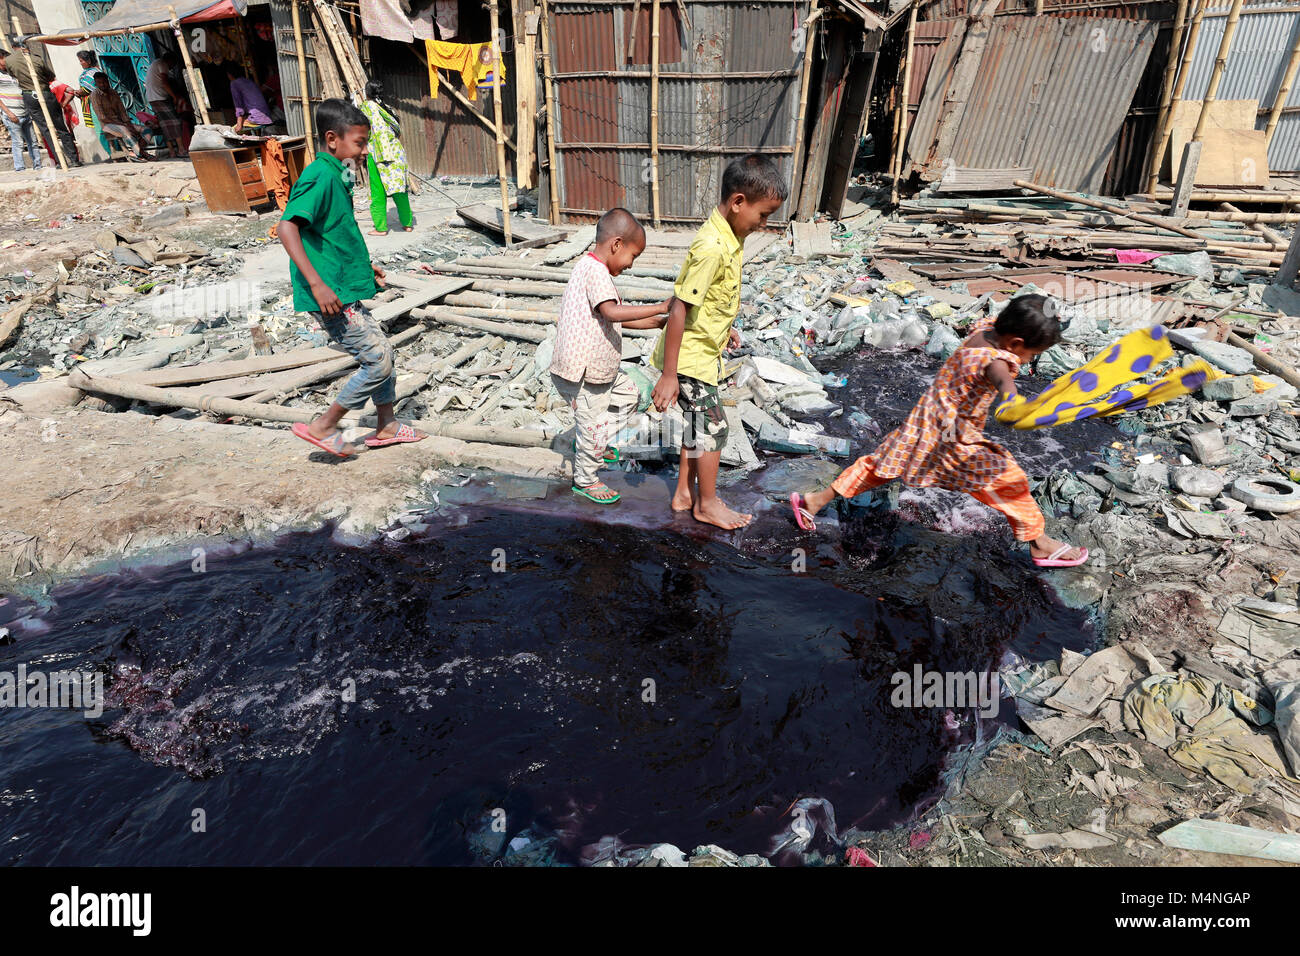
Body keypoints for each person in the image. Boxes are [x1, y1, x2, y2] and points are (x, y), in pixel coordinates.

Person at [789, 295, 1090, 569]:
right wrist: (1012, 397)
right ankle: (1039, 543)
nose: (1028, 361)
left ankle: (813, 501)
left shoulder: (985, 332)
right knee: (1009, 479)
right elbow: (1001, 376)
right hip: (954, 439)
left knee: (879, 466)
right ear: (1014, 343)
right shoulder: (996, 360)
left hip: (924, 422)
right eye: (1031, 354)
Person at [279, 98, 424, 458]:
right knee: (377, 359)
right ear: (332, 139)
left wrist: (363, 266)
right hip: (329, 293)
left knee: (383, 350)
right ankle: (324, 426)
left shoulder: (339, 171)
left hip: (342, 284)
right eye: (359, 143)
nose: (364, 152)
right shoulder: (319, 176)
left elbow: (337, 229)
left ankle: (387, 425)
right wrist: (316, 283)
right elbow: (286, 228)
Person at [649, 153, 787, 530]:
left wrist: (724, 327)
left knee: (696, 424)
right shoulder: (711, 247)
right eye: (762, 215)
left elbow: (710, 300)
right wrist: (670, 375)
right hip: (689, 358)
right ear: (738, 201)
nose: (763, 224)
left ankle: (683, 493)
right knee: (713, 428)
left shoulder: (731, 236)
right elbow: (679, 308)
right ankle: (706, 504)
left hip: (703, 351)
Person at [546, 208, 669, 504]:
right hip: (584, 373)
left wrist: (659, 321)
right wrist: (659, 306)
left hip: (599, 372)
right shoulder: (595, 271)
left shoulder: (592, 269)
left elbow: (615, 318)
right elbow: (613, 312)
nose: (630, 265)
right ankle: (586, 480)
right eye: (633, 256)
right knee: (591, 422)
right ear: (616, 245)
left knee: (629, 396)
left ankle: (593, 442)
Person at [4, 39, 81, 167]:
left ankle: (59, 161)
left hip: (29, 95)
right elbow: (50, 76)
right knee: (60, 127)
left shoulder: (9, 61)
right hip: (45, 93)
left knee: (46, 130)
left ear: (13, 47)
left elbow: (13, 75)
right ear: (26, 46)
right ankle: (74, 159)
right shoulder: (37, 59)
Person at [357, 80, 413, 235]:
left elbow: (362, 129)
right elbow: (396, 130)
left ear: (366, 93)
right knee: (399, 190)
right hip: (396, 151)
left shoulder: (367, 107)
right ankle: (407, 224)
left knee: (377, 191)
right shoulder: (387, 109)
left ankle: (381, 228)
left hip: (378, 153)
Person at [89, 72, 149, 162]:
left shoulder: (113, 92)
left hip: (121, 122)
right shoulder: (94, 95)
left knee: (146, 130)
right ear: (96, 83)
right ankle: (137, 154)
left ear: (108, 81)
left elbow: (122, 111)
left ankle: (139, 151)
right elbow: (102, 117)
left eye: (104, 82)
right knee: (125, 130)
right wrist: (123, 124)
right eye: (99, 83)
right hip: (107, 125)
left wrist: (127, 123)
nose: (103, 85)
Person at [0, 48, 40, 172]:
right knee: (17, 143)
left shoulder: (15, 72)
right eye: (4, 59)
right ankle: (20, 168)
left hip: (25, 112)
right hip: (12, 114)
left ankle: (38, 166)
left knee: (33, 141)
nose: (6, 62)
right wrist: (8, 113)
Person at [144, 51, 188, 157]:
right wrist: (174, 97)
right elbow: (164, 82)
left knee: (165, 125)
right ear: (170, 61)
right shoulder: (162, 64)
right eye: (173, 64)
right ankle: (181, 149)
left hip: (154, 98)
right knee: (175, 122)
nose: (172, 67)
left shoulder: (156, 63)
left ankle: (172, 151)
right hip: (159, 98)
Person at [76, 49, 112, 157]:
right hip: (98, 102)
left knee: (101, 129)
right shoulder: (94, 71)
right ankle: (113, 152)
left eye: (82, 61)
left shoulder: (92, 73)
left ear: (88, 61)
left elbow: (87, 89)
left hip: (96, 103)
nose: (80, 63)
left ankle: (111, 153)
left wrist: (77, 92)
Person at [225, 61, 275, 133]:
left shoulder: (234, 83)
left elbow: (238, 106)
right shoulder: (248, 81)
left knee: (234, 129)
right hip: (267, 116)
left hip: (257, 118)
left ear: (229, 74)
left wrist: (239, 125)